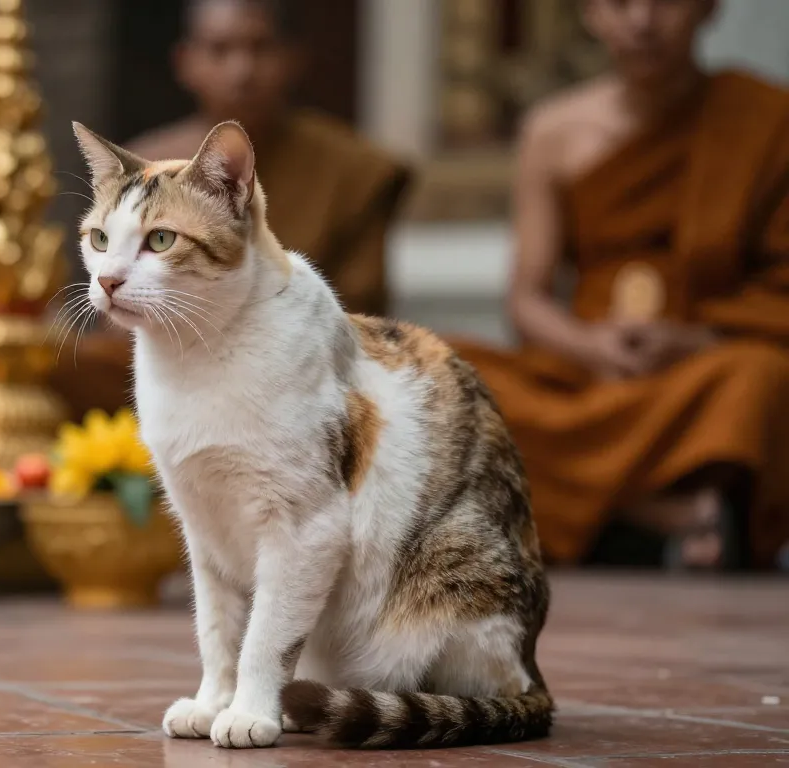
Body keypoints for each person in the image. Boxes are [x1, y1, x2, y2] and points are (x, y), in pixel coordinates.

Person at [450, 0, 789, 571]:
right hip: (583, 371)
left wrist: (695, 341)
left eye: (665, 3)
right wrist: (590, 346)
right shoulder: (553, 131)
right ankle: (670, 513)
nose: (641, 22)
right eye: (619, 3)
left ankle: (590, 505)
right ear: (588, 14)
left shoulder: (766, 120)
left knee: (763, 379)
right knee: (449, 378)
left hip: (696, 370)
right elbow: (527, 299)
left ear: (709, 9)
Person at [50, 0, 411, 417]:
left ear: (293, 59)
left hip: (302, 388)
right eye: (220, 51)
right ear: (186, 63)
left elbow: (360, 312)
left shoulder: (352, 170)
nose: (242, 71)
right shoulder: (142, 165)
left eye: (260, 48)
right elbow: (115, 326)